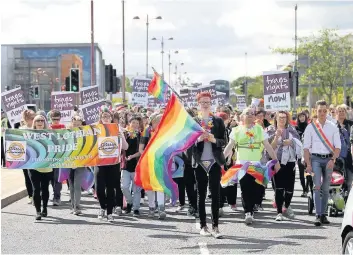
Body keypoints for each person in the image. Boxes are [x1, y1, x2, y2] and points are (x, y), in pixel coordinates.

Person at [223, 107, 280, 225]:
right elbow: (230, 146)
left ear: (254, 117)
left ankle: (252, 208)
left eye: (252, 114)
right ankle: (248, 212)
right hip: (242, 164)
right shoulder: (236, 130)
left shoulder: (259, 130)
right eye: (247, 113)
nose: (250, 115)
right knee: (245, 188)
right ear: (242, 117)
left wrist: (276, 161)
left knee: (255, 189)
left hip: (256, 165)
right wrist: (221, 159)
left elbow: (268, 146)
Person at [192, 92, 226, 239]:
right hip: (199, 161)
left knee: (215, 193)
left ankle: (216, 226)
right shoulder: (194, 121)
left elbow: (223, 141)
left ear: (210, 103)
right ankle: (203, 226)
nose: (205, 104)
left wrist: (213, 139)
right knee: (201, 194)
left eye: (207, 102)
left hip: (214, 161)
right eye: (202, 102)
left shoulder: (218, 121)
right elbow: (188, 142)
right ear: (198, 104)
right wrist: (198, 139)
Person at [303, 100, 341, 226]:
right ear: (316, 111)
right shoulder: (310, 127)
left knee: (325, 188)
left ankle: (324, 214)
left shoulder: (333, 126)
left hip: (329, 159)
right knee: (317, 186)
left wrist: (333, 160)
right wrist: (308, 164)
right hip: (315, 160)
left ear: (327, 111)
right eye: (320, 111)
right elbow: (306, 148)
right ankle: (318, 215)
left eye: (325, 111)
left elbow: (338, 147)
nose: (322, 113)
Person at [95, 108, 128, 222]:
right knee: (99, 189)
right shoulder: (96, 129)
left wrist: (121, 136)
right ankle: (102, 207)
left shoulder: (117, 128)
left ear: (111, 118)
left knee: (110, 188)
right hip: (100, 163)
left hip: (113, 163)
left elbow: (125, 147)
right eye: (103, 116)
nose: (106, 118)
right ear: (100, 118)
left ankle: (109, 213)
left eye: (108, 116)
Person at [269, 111, 301, 221]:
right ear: (276, 119)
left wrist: (291, 142)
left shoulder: (292, 130)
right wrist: (276, 136)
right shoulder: (270, 130)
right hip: (277, 162)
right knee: (279, 188)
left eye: (284, 117)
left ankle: (286, 207)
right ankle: (279, 212)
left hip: (290, 162)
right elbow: (269, 147)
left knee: (289, 189)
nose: (282, 119)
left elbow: (298, 143)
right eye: (280, 117)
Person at [139, 113, 166, 219]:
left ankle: (161, 208)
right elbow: (141, 149)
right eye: (158, 121)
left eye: (161, 120)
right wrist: (148, 155)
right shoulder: (146, 131)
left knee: (160, 185)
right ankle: (151, 207)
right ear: (153, 121)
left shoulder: (165, 131)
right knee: (149, 186)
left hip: (161, 161)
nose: (160, 122)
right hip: (148, 161)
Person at [28, 114, 53, 220]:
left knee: (45, 188)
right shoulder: (28, 133)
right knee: (36, 189)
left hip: (47, 166)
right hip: (33, 166)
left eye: (42, 120)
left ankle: (45, 208)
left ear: (44, 122)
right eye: (37, 120)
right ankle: (38, 211)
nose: (40, 122)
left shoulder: (50, 134)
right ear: (34, 122)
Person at [121, 116, 142, 216]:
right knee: (124, 187)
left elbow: (141, 151)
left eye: (137, 123)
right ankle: (129, 202)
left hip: (137, 165)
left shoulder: (141, 135)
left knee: (136, 189)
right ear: (129, 124)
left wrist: (132, 156)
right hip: (125, 165)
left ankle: (136, 208)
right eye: (133, 122)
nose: (135, 125)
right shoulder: (124, 134)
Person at [68, 115, 86, 215]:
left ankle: (77, 206)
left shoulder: (85, 135)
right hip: (69, 162)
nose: (76, 126)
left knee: (77, 185)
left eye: (78, 124)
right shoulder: (67, 134)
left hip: (80, 163)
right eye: (74, 124)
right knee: (71, 186)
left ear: (81, 125)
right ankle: (72, 206)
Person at [49, 110, 66, 206]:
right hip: (50, 156)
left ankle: (57, 196)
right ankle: (55, 193)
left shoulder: (63, 128)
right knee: (51, 178)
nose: (56, 121)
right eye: (54, 119)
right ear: (51, 119)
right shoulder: (48, 128)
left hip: (59, 156)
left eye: (57, 119)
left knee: (57, 178)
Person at [19, 110, 36, 204]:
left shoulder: (37, 128)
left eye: (34, 117)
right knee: (27, 176)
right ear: (26, 119)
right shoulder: (21, 129)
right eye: (32, 118)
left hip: (37, 157)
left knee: (36, 177)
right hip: (25, 157)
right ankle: (31, 196)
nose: (34, 120)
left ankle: (37, 193)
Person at [296, 111, 309, 197]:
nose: (302, 118)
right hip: (299, 153)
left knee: (308, 173)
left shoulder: (309, 127)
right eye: (300, 117)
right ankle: (304, 189)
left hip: (308, 153)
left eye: (303, 116)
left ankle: (308, 188)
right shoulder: (296, 128)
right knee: (301, 173)